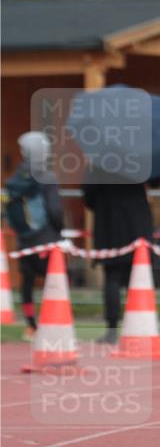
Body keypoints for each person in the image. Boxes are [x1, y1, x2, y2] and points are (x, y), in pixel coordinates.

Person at [5, 131, 64, 339]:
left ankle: (31, 324)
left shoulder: (15, 179)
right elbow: (54, 209)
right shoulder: (47, 177)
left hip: (24, 239)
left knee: (27, 283)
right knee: (53, 282)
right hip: (46, 238)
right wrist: (60, 230)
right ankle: (54, 321)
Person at [82, 180, 155, 343]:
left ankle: (112, 329)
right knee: (137, 280)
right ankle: (139, 328)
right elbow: (156, 180)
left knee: (112, 278)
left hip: (109, 224)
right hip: (136, 225)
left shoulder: (99, 161)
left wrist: (103, 205)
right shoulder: (139, 157)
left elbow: (88, 194)